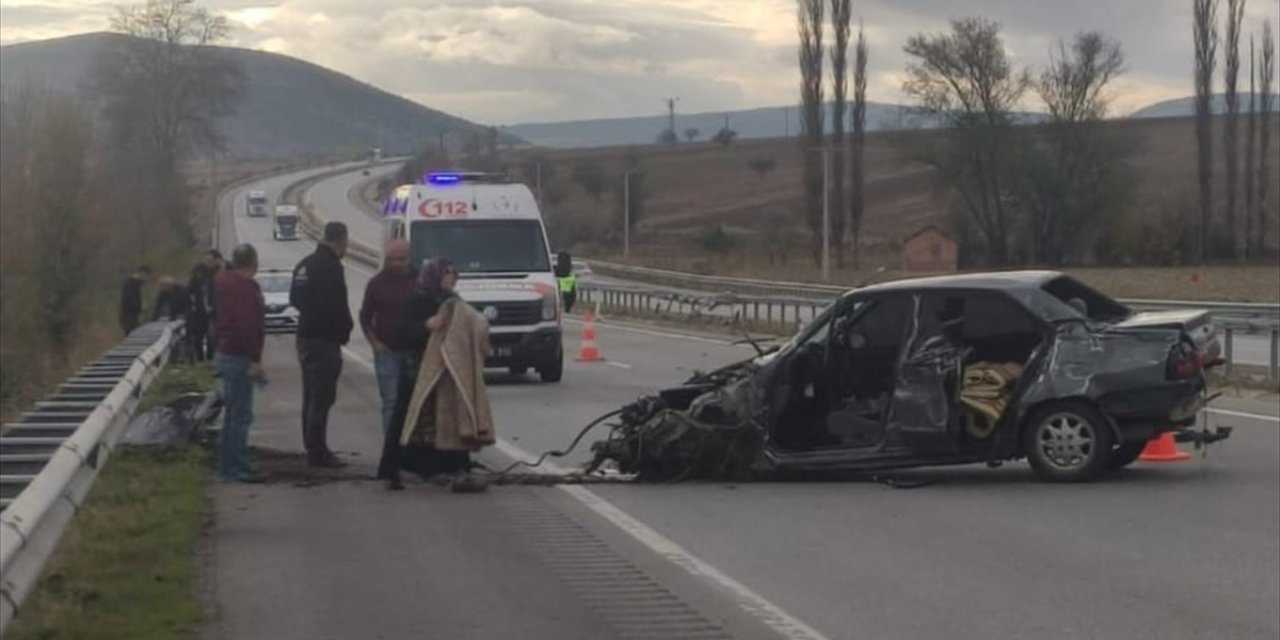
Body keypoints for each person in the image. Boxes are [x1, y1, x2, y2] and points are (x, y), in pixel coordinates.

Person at [377, 258, 468, 491]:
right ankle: (392, 469)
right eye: (447, 274)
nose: (452, 279)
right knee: (406, 416)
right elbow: (401, 333)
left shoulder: (454, 302)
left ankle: (453, 467)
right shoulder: (414, 302)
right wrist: (427, 325)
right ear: (435, 276)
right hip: (415, 369)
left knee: (448, 418)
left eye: (453, 274)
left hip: (445, 369)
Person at [290, 222, 353, 468]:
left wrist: (311, 315)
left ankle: (313, 446)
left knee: (311, 395)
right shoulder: (330, 267)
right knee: (322, 396)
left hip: (305, 336)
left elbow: (294, 298)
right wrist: (343, 329)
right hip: (324, 339)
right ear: (341, 240)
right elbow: (335, 304)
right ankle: (318, 451)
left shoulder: (304, 264)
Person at [214, 244, 266, 483]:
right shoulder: (244, 288)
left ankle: (231, 464)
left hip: (226, 352)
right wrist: (255, 359)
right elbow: (247, 325)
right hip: (239, 356)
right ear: (253, 262)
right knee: (240, 416)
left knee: (233, 414)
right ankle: (234, 468)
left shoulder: (223, 282)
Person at [359, 239, 418, 438]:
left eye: (401, 260)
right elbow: (365, 316)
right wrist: (374, 343)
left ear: (409, 259)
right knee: (391, 402)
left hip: (414, 352)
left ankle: (411, 449)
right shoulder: (377, 283)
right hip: (387, 352)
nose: (396, 264)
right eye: (391, 260)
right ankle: (391, 449)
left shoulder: (420, 282)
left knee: (414, 402)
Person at [187, 250, 223, 361]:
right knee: (199, 337)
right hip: (200, 310)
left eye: (210, 260)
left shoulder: (221, 272)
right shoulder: (198, 272)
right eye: (206, 260)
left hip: (215, 310)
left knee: (212, 337)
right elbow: (191, 289)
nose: (208, 262)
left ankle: (210, 359)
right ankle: (201, 359)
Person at [119, 265, 152, 336]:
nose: (147, 279)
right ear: (142, 273)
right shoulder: (131, 284)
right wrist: (141, 306)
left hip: (133, 318)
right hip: (129, 319)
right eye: (147, 276)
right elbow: (130, 302)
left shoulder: (136, 284)